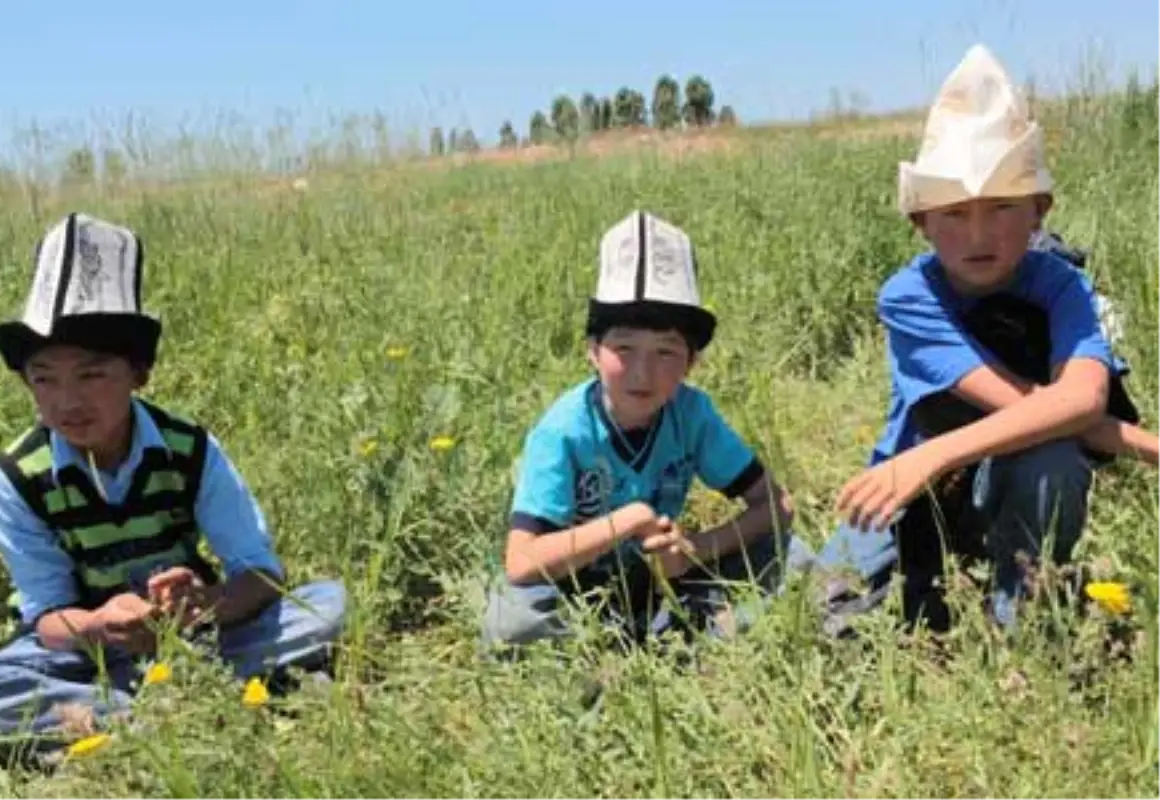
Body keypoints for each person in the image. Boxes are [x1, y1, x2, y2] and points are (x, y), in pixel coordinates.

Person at [0, 213, 347, 750]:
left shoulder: (188, 450)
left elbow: (260, 574)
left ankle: (119, 714)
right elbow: (47, 618)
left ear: (138, 375)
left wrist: (200, 605)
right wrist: (99, 624)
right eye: (44, 379)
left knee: (328, 604)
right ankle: (184, 704)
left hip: (193, 639)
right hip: (80, 652)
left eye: (92, 374)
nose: (67, 401)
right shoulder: (15, 479)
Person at [815, 44, 1160, 636]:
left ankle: (1020, 624)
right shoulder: (908, 295)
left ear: (1038, 211)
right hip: (910, 492)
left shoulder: (1061, 284)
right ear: (921, 222)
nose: (978, 234)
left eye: (1002, 208)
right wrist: (926, 458)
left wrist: (935, 454)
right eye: (953, 213)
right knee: (826, 617)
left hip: (987, 474)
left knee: (1052, 454)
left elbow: (1078, 403)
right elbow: (1039, 407)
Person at [480, 210, 816, 652]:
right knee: (512, 620)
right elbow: (522, 560)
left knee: (797, 560)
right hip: (575, 590)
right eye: (624, 348)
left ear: (691, 363)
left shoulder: (691, 414)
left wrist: (694, 549)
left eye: (665, 352)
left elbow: (775, 505)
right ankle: (613, 652)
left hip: (663, 577)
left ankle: (678, 637)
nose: (643, 373)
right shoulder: (563, 431)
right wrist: (626, 521)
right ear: (593, 352)